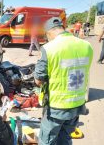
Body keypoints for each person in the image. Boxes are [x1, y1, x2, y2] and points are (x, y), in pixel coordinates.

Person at [34, 17, 93, 145]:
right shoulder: (86, 46)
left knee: (47, 140)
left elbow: (38, 80)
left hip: (57, 106)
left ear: (49, 32)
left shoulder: (49, 48)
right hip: (77, 104)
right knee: (65, 138)